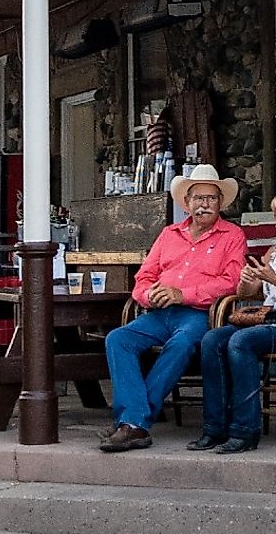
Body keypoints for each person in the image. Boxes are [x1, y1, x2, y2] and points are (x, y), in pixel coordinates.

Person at [99, 164, 248, 453]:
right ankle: (136, 422)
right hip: (158, 312)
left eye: (211, 198)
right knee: (118, 339)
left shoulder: (232, 235)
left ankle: (133, 422)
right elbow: (143, 278)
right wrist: (147, 295)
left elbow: (231, 283)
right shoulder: (169, 234)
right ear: (186, 203)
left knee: (180, 344)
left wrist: (183, 294)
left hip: (198, 313)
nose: (204, 204)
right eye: (198, 198)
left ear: (220, 204)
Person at [193, 189, 276, 453]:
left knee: (241, 341)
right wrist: (246, 281)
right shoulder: (274, 251)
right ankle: (214, 428)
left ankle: (245, 431)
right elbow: (248, 293)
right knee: (211, 339)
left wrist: (274, 279)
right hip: (268, 322)